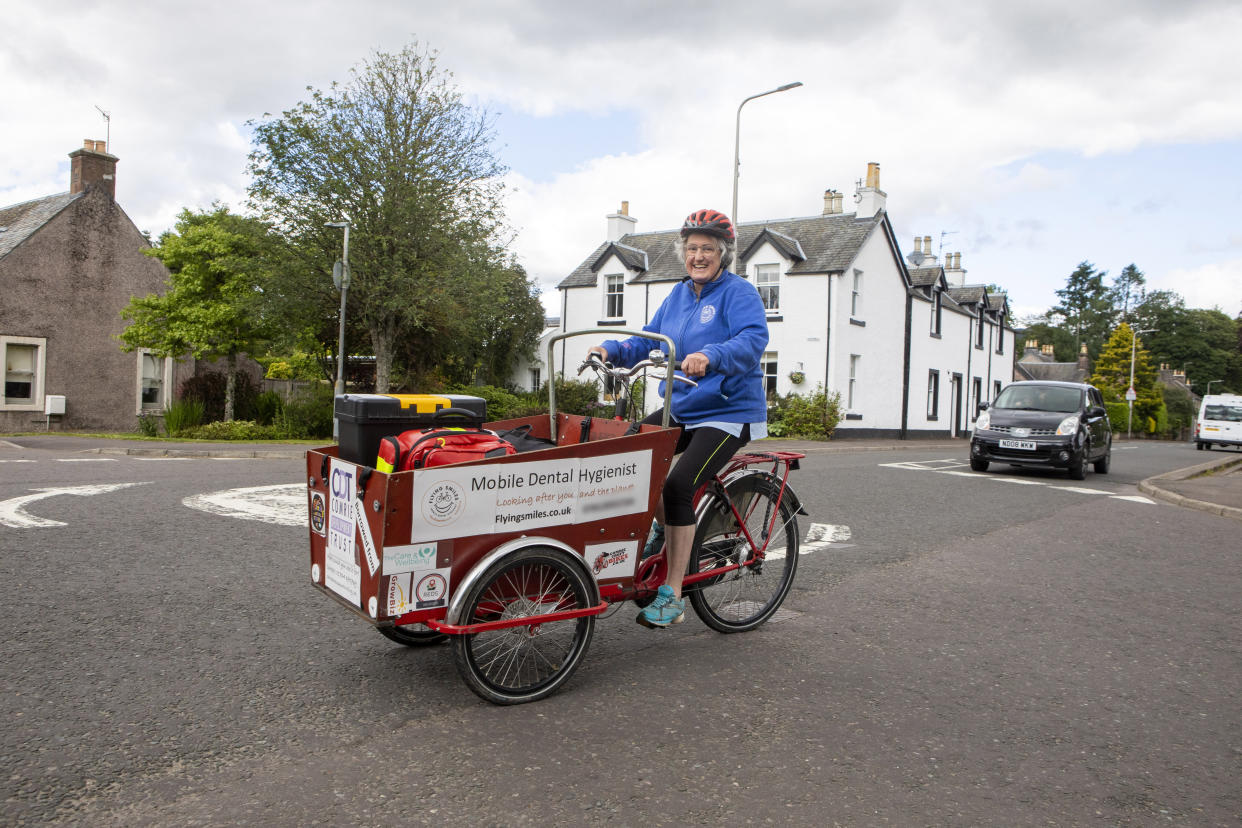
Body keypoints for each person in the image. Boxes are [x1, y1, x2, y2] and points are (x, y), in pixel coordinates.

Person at [588, 208, 769, 628]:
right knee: (629, 460)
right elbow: (650, 340)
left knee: (677, 485)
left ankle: (672, 593)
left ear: (722, 253)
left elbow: (753, 339)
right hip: (683, 406)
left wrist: (712, 355)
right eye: (692, 248)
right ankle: (663, 531)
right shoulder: (678, 294)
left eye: (708, 248)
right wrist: (610, 349)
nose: (699, 256)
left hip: (727, 411)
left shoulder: (738, 293)